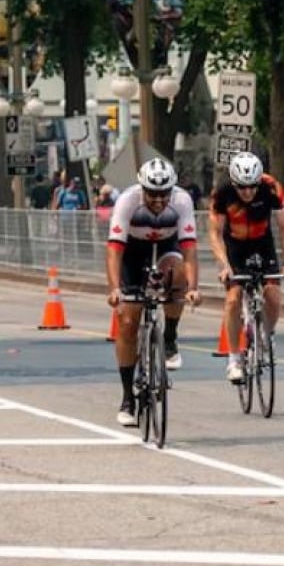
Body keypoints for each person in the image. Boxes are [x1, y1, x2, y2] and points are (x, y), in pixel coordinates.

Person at [106, 158, 201, 427]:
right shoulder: (127, 201)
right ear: (142, 188)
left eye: (163, 194)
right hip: (133, 253)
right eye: (152, 194)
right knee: (127, 320)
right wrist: (114, 289)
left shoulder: (182, 201)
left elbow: (190, 249)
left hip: (166, 246)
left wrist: (192, 288)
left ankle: (169, 337)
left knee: (178, 275)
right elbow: (114, 250)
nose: (158, 200)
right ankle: (127, 397)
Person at [208, 152, 284, 383]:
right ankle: (234, 358)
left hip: (262, 243)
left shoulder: (271, 187)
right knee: (233, 299)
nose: (247, 192)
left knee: (274, 297)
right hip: (234, 246)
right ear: (233, 183)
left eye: (252, 187)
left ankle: (266, 335)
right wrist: (224, 265)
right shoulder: (222, 191)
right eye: (242, 188)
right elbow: (215, 234)